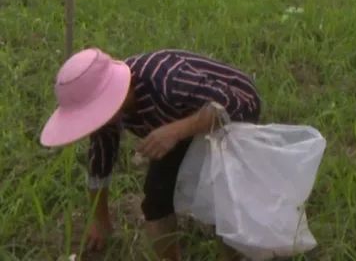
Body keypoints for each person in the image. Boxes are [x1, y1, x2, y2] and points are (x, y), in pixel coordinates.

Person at [40, 48, 261, 261]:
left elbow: (237, 105)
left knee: (220, 195)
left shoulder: (167, 79)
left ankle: (233, 255)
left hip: (229, 119)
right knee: (157, 196)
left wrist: (176, 131)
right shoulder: (109, 117)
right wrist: (100, 219)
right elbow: (100, 160)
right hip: (175, 125)